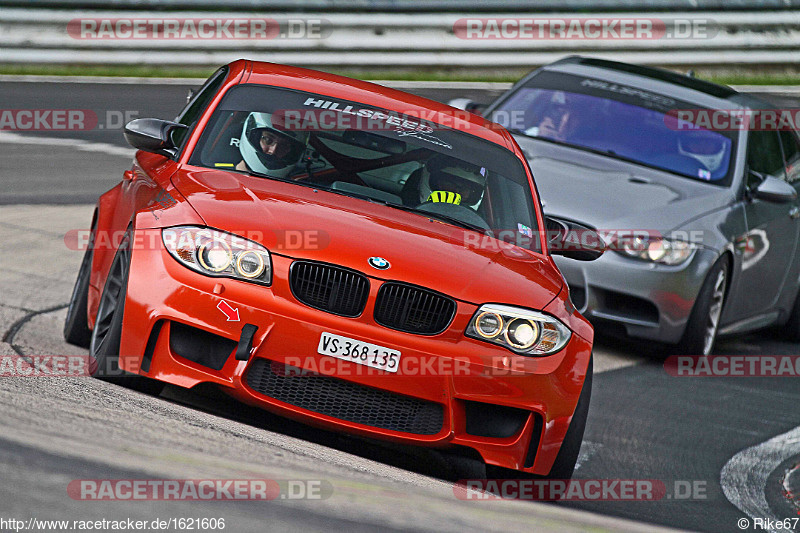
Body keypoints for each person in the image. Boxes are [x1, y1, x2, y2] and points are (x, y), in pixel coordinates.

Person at [236, 112, 309, 178]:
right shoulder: (226, 174)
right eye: (268, 140)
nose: (273, 150)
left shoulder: (298, 186)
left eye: (283, 146)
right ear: (255, 137)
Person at [418, 154, 487, 209]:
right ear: (436, 183)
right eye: (451, 183)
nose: (457, 191)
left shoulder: (475, 224)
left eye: (466, 187)